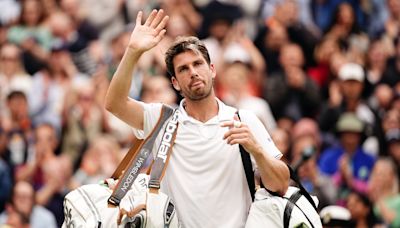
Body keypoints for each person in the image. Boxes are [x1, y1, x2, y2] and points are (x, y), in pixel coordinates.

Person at [104, 9, 289, 228]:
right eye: (183, 69)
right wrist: (133, 52)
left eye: (198, 64)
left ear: (212, 70)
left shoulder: (243, 119)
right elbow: (114, 104)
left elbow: (281, 185)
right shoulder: (161, 119)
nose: (193, 72)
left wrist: (257, 150)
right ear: (175, 83)